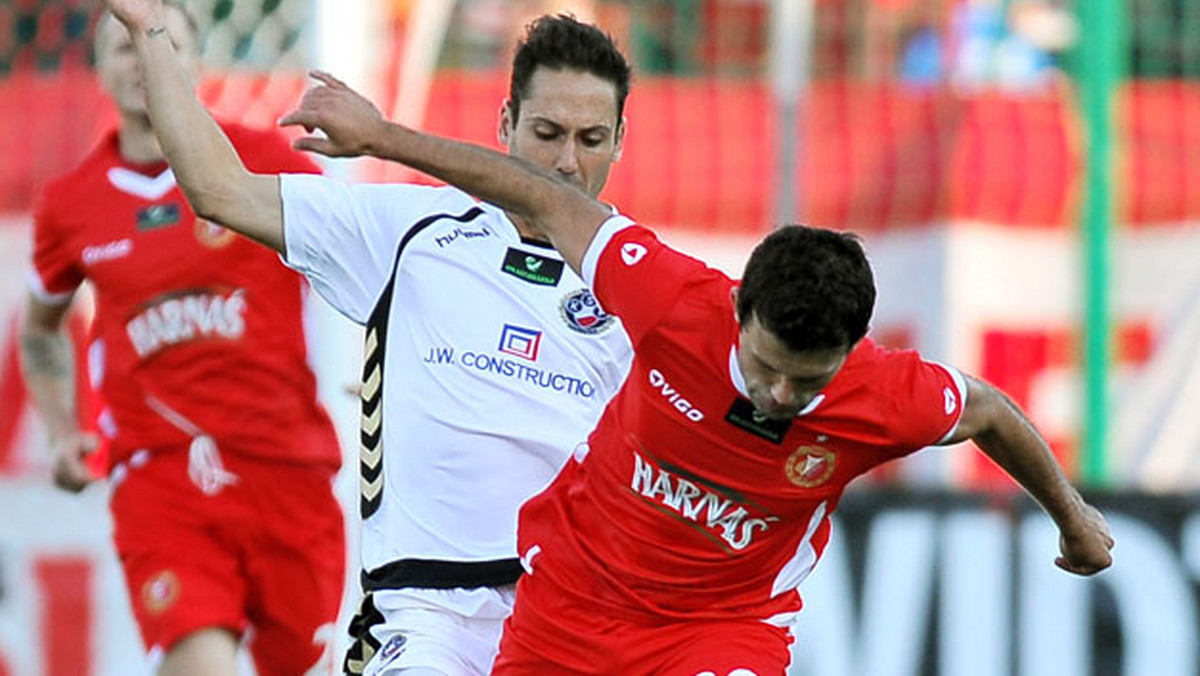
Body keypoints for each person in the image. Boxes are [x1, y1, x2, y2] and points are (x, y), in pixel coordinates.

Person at [271, 55, 1117, 676]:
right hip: (573, 609)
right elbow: (543, 197)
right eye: (768, 366)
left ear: (851, 356)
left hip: (720, 629)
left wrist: (1072, 516)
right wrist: (382, 137)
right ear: (740, 312)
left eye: (810, 381)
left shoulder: (886, 396)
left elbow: (991, 412)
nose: (782, 395)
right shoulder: (674, 300)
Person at [98, 0, 635, 674]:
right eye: (547, 132)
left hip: (571, 617)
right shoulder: (413, 230)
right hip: (426, 617)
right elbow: (220, 189)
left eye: (590, 140)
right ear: (504, 124)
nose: (564, 163)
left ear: (619, 140)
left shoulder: (640, 290)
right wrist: (148, 27)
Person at [18, 4, 345, 675]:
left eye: (158, 41)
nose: (141, 60)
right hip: (162, 477)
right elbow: (41, 330)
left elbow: (360, 257)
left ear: (194, 62)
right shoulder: (71, 204)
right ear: (97, 72)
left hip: (287, 473)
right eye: (122, 47)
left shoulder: (264, 165)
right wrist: (60, 431)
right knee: (200, 663)